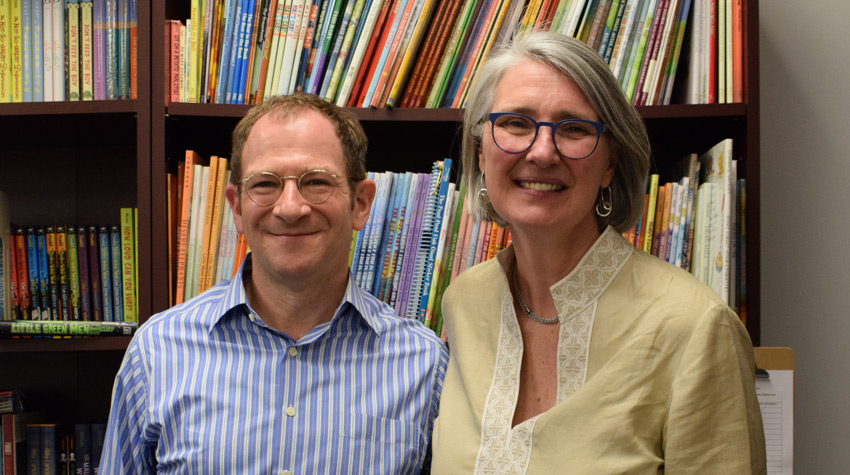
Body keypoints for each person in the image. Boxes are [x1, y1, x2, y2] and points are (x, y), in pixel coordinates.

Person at [431, 31, 766, 473]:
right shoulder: (464, 300)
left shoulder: (696, 328)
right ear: (481, 151)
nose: (542, 151)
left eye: (573, 129)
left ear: (610, 163)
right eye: (515, 123)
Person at [100, 93, 449, 474]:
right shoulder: (155, 354)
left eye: (316, 181)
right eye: (265, 184)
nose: (290, 208)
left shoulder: (425, 366)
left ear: (361, 203)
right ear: (236, 206)